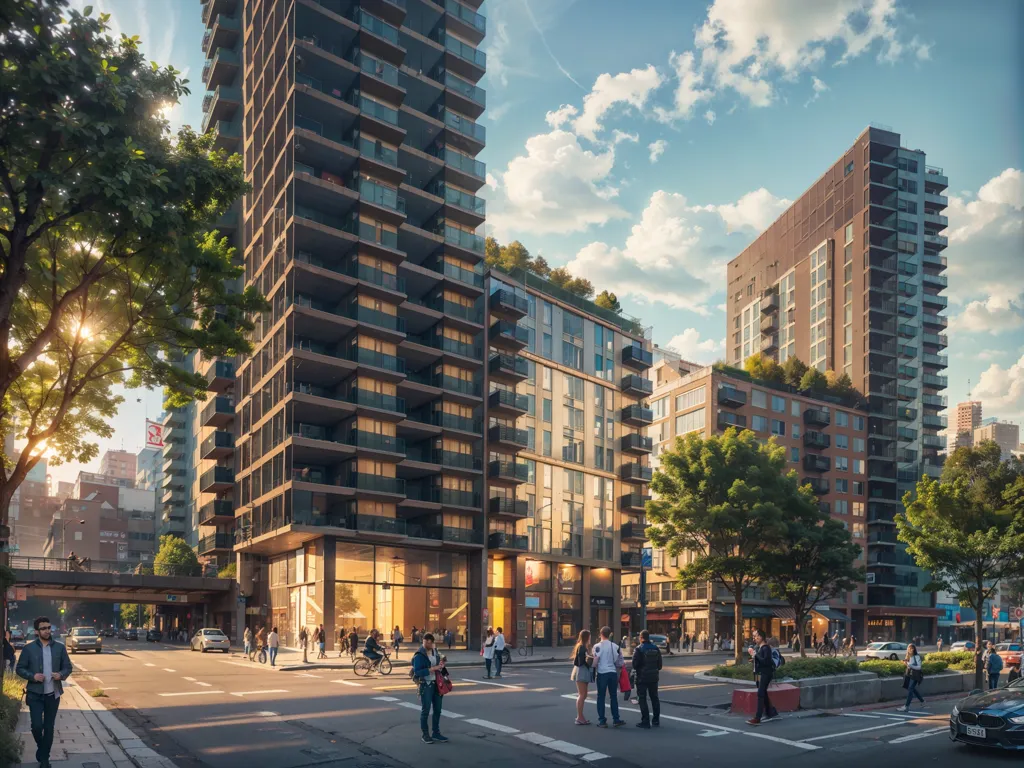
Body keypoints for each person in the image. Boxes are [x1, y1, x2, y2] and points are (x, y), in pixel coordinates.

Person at [16, 616, 73, 768]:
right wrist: (33, 676)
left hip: (53, 695)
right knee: (36, 726)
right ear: (36, 631)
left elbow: (68, 667)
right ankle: (42, 751)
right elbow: (19, 668)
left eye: (49, 627)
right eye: (43, 628)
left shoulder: (59, 647)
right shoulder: (29, 649)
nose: (47, 631)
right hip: (35, 694)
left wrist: (61, 675)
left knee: (48, 728)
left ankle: (44, 759)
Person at [411, 632, 448, 744]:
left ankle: (436, 732)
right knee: (425, 710)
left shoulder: (435, 652)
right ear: (424, 641)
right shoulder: (419, 655)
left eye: (431, 643)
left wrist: (441, 666)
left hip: (437, 683)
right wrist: (432, 669)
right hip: (425, 684)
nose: (430, 645)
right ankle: (425, 734)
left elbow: (439, 663)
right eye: (427, 642)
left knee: (437, 709)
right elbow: (417, 672)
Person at [591, 626, 626, 728]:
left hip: (602, 673)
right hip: (612, 673)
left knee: (601, 697)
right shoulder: (615, 646)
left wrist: (593, 666)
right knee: (613, 696)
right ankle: (616, 719)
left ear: (600, 634)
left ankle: (602, 721)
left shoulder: (597, 646)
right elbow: (620, 662)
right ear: (610, 634)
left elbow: (595, 661)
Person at [746, 628, 778, 726]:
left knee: (760, 694)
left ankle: (757, 718)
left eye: (756, 636)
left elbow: (766, 662)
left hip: (765, 673)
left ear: (761, 637)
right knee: (763, 693)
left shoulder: (766, 648)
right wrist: (753, 658)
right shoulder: (760, 648)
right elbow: (761, 660)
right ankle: (771, 712)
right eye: (754, 636)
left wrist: (755, 655)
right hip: (760, 674)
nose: (754, 638)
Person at [632, 630, 662, 729]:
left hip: (642, 678)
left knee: (642, 698)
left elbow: (635, 665)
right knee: (654, 698)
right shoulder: (656, 648)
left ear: (641, 638)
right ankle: (656, 720)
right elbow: (660, 665)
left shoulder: (639, 649)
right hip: (653, 677)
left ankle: (645, 721)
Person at [570, 629, 593, 725]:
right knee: (582, 695)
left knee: (583, 695)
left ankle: (580, 716)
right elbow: (580, 662)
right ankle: (579, 717)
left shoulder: (581, 646)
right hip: (581, 672)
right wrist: (590, 659)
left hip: (581, 671)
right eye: (589, 636)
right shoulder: (582, 647)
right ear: (587, 637)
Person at [901, 643, 925, 712]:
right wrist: (906, 664)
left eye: (911, 648)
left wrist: (910, 665)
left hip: (915, 675)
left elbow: (919, 667)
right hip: (909, 675)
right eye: (908, 648)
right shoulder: (908, 656)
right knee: (912, 689)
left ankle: (906, 706)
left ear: (914, 649)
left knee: (910, 688)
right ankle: (922, 701)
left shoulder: (916, 656)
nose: (909, 650)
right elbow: (909, 666)